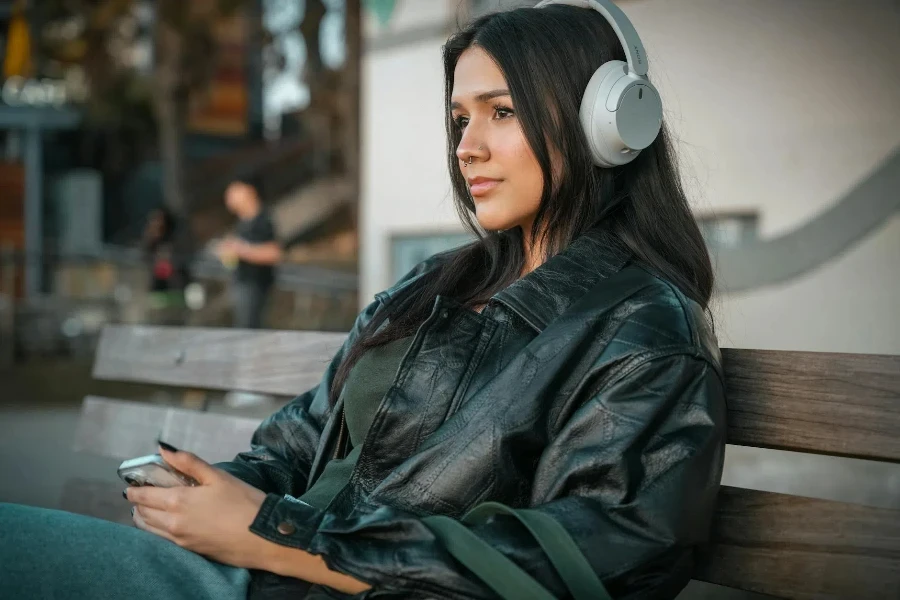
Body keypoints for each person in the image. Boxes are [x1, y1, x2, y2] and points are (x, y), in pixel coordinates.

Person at [0, 2, 726, 598]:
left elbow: (590, 561)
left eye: (500, 113)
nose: (466, 146)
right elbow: (294, 441)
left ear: (609, 126)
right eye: (460, 120)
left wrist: (285, 537)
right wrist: (209, 497)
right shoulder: (433, 283)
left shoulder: (643, 331)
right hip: (252, 573)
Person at [217, 179, 282, 329]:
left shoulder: (261, 220)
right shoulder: (243, 222)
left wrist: (240, 249)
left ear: (249, 191)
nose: (230, 197)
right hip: (243, 284)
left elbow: (274, 253)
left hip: (256, 285)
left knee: (250, 329)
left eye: (235, 191)